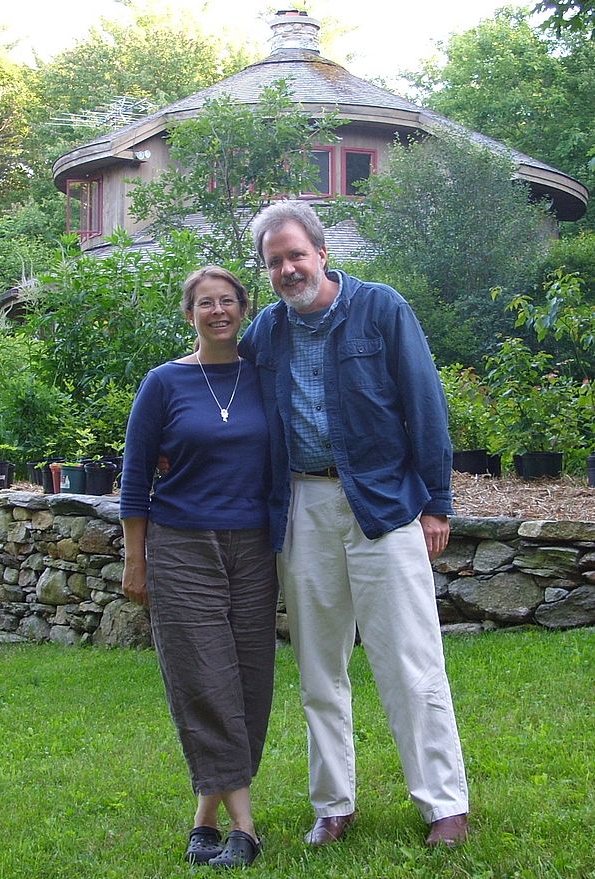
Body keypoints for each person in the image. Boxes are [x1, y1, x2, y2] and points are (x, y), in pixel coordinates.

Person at [238, 200, 469, 848]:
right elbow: (224, 395)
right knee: (319, 667)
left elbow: (425, 404)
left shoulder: (380, 309)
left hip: (384, 505)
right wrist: (174, 440)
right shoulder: (265, 334)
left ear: (322, 253)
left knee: (411, 661)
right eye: (275, 261)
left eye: (296, 255)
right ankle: (333, 804)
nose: (288, 269)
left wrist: (436, 503)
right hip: (303, 508)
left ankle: (444, 804)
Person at [120, 266, 277, 869]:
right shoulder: (164, 383)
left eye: (227, 301)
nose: (218, 311)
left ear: (243, 309)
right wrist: (135, 559)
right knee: (203, 680)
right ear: (190, 315)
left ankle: (204, 819)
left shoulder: (265, 377)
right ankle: (244, 828)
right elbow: (135, 478)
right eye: (205, 303)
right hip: (182, 546)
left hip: (255, 546)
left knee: (250, 681)